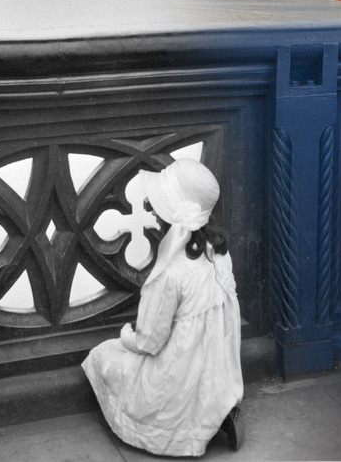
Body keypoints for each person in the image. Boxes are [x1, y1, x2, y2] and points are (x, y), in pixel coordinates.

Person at [82, 158, 244, 456]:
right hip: (219, 370)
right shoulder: (219, 253)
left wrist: (127, 336)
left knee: (104, 355)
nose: (153, 209)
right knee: (200, 370)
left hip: (179, 376)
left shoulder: (171, 272)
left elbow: (151, 342)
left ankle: (178, 431)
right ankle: (219, 412)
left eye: (158, 204)